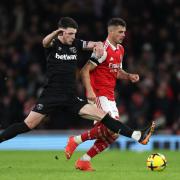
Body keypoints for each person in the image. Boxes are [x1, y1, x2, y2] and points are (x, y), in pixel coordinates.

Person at [0, 17, 154, 151]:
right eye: (70, 33)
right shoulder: (53, 44)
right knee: (27, 125)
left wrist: (98, 44)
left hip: (70, 97)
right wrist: (55, 33)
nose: (73, 37)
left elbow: (90, 44)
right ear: (61, 32)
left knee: (104, 116)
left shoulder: (75, 44)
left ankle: (137, 135)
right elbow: (44, 42)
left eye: (75, 33)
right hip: (51, 96)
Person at [65, 18, 155, 171]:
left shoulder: (120, 49)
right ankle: (76, 140)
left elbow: (116, 71)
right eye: (120, 32)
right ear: (111, 31)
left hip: (110, 95)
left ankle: (84, 160)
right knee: (112, 127)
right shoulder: (102, 50)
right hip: (99, 94)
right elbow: (84, 70)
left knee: (114, 134)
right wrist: (90, 91)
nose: (123, 35)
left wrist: (129, 76)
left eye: (124, 32)